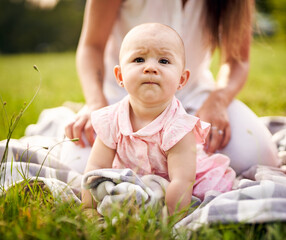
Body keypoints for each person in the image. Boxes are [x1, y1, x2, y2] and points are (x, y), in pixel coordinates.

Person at [65, 0, 280, 174]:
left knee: (260, 156)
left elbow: (237, 60)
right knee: (78, 166)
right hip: (122, 99)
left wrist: (218, 101)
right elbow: (91, 46)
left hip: (196, 98)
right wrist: (95, 103)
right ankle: (63, 118)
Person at [81, 23, 235, 215]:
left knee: (204, 196)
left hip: (175, 187)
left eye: (163, 61)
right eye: (139, 59)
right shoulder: (111, 119)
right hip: (132, 180)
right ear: (120, 75)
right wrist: (88, 208)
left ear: (181, 79)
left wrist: (169, 221)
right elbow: (96, 167)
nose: (151, 68)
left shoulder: (179, 127)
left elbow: (182, 180)